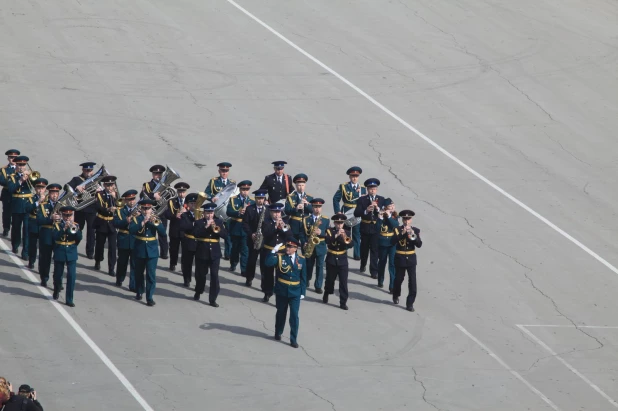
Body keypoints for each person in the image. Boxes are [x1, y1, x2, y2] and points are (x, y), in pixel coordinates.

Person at [265, 238, 306, 348]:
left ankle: (293, 339)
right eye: (287, 246)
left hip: (295, 292)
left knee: (294, 316)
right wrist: (273, 251)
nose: (288, 248)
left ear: (295, 249)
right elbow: (268, 263)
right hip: (282, 290)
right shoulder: (280, 257)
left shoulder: (301, 259)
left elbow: (303, 277)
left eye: (290, 247)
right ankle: (278, 332)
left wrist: (303, 292)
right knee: (281, 314)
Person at [129, 199, 167, 306]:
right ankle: (139, 291)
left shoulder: (155, 219)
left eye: (148, 209)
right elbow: (131, 230)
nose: (146, 211)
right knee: (138, 273)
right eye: (144, 209)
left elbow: (163, 233)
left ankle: (149, 297)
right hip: (139, 249)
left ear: (151, 209)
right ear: (141, 209)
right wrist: (142, 223)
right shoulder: (136, 218)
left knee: (151, 275)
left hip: (152, 251)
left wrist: (154, 223)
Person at [192, 202, 227, 306]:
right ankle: (198, 290)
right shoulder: (199, 222)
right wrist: (206, 227)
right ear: (204, 213)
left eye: (211, 213)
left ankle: (213, 299)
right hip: (202, 252)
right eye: (208, 213)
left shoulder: (219, 222)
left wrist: (218, 230)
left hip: (215, 253)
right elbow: (196, 234)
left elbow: (225, 235)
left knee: (214, 276)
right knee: (201, 275)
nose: (210, 215)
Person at [65, 162, 100, 259]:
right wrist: (76, 188)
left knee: (91, 232)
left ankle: (90, 252)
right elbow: (66, 187)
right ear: (83, 170)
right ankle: (73, 246)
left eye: (90, 170)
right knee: (77, 229)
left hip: (92, 209)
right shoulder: (77, 179)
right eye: (86, 170)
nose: (88, 172)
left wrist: (99, 190)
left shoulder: (95, 181)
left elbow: (101, 194)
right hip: (80, 210)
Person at [260, 203, 292, 302]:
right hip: (268, 250)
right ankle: (267, 293)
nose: (277, 215)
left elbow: (290, 236)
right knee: (267, 274)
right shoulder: (266, 222)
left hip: (281, 252)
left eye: (278, 212)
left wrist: (283, 227)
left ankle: (279, 295)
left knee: (280, 275)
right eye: (275, 212)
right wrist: (274, 226)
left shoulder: (285, 221)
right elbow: (266, 234)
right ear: (270, 212)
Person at [391, 210, 423, 312]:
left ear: (411, 220)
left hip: (411, 259)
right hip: (400, 258)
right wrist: (402, 233)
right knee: (398, 280)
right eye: (405, 219)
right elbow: (392, 242)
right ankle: (396, 294)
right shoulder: (397, 229)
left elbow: (419, 244)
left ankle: (410, 303)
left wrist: (413, 235)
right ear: (402, 220)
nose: (406, 221)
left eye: (408, 219)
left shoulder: (416, 230)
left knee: (412, 282)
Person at [332, 166, 366, 260]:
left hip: (357, 212)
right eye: (352, 176)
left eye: (356, 176)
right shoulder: (344, 186)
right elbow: (336, 199)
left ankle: (357, 254)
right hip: (346, 211)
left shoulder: (362, 188)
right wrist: (338, 211)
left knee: (356, 233)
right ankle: (344, 250)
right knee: (346, 232)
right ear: (349, 177)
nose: (354, 178)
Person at [353, 178, 385, 278]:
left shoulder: (381, 199)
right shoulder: (362, 199)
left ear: (377, 189)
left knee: (375, 250)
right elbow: (356, 213)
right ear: (367, 189)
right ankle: (363, 264)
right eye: (371, 188)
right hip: (365, 227)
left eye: (374, 188)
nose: (372, 190)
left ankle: (374, 271)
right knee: (364, 248)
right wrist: (366, 210)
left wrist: (377, 209)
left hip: (376, 227)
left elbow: (384, 213)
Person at [52, 206, 82, 307]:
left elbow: (79, 238)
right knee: (57, 275)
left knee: (71, 277)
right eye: (66, 215)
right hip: (60, 251)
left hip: (71, 253)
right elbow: (55, 237)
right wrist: (64, 229)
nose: (68, 217)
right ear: (62, 215)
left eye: (69, 215)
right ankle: (56, 289)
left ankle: (69, 299)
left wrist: (75, 229)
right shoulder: (57, 225)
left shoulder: (76, 225)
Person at [204, 162, 234, 260]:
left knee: (228, 233)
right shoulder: (214, 181)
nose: (224, 173)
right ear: (219, 171)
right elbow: (206, 193)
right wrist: (212, 198)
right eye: (222, 171)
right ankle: (214, 251)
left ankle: (228, 254)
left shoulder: (232, 183)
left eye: (226, 171)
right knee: (214, 231)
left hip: (227, 211)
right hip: (216, 211)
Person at [323, 213, 354, 309]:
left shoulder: (347, 232)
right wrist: (336, 235)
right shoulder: (329, 231)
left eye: (341, 223)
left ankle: (343, 302)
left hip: (342, 259)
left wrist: (344, 237)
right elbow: (327, 241)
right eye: (337, 223)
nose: (339, 225)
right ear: (334, 223)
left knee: (343, 282)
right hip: (331, 258)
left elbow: (350, 245)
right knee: (329, 280)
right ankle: (327, 292)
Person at [7, 155, 34, 259]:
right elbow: (10, 189)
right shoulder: (12, 177)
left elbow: (37, 186)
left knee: (27, 231)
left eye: (23, 165)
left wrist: (30, 177)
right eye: (20, 165)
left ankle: (25, 252)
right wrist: (20, 180)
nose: (22, 167)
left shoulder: (30, 175)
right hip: (16, 205)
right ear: (16, 165)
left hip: (27, 205)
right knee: (16, 229)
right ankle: (15, 244)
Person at [300, 198, 329, 294]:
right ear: (312, 207)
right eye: (315, 207)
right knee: (308, 265)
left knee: (320, 267)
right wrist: (304, 242)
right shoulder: (306, 219)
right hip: (309, 245)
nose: (317, 209)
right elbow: (302, 233)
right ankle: (307, 279)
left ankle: (318, 286)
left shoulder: (325, 220)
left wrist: (322, 232)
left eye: (319, 207)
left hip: (320, 246)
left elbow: (329, 233)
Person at [140, 164, 169, 260]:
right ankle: (149, 250)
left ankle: (164, 253)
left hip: (162, 212)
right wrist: (153, 196)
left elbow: (170, 197)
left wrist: (162, 199)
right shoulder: (147, 185)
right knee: (150, 232)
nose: (158, 175)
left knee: (163, 233)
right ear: (152, 174)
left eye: (160, 173)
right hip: (151, 212)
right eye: (156, 173)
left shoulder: (166, 185)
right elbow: (143, 196)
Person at [36, 184, 62, 287]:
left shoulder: (62, 206)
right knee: (45, 259)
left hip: (58, 235)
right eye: (52, 193)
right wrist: (50, 218)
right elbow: (39, 220)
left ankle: (58, 281)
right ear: (49, 194)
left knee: (59, 260)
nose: (54, 195)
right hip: (46, 235)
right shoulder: (43, 205)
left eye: (56, 193)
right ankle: (44, 278)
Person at [226, 180, 253, 275]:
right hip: (236, 227)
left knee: (245, 250)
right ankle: (233, 263)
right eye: (243, 189)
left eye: (247, 190)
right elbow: (228, 212)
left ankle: (244, 269)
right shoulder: (233, 199)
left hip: (246, 229)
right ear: (240, 190)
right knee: (235, 249)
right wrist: (238, 212)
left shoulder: (251, 201)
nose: (245, 192)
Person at [113, 189, 138, 290]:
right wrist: (125, 221)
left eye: (133, 199)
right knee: (122, 262)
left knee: (135, 264)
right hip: (123, 239)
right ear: (125, 201)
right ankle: (119, 279)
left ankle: (133, 285)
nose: (132, 201)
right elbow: (115, 223)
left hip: (135, 239)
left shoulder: (139, 211)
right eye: (129, 199)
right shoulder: (120, 210)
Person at [241, 189, 267, 287]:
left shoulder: (267, 210)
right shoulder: (250, 209)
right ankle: (249, 278)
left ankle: (264, 283)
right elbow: (245, 224)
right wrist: (251, 234)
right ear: (255, 199)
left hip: (264, 240)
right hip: (253, 239)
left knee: (263, 263)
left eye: (262, 198)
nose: (260, 200)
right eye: (258, 198)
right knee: (252, 261)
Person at [93, 176, 118, 276]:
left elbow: (121, 205)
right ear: (104, 185)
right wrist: (107, 209)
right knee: (99, 245)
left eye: (111, 185)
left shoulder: (116, 194)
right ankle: (98, 260)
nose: (110, 187)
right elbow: (98, 207)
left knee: (112, 247)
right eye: (108, 185)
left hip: (112, 223)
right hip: (102, 222)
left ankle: (111, 268)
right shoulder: (99, 194)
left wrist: (115, 197)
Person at [164, 182, 189, 271]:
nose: (181, 194)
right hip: (175, 229)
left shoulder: (189, 202)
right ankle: (173, 263)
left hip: (186, 230)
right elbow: (167, 214)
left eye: (183, 192)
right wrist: (175, 215)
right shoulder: (172, 201)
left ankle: (184, 265)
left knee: (185, 250)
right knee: (174, 249)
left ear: (186, 192)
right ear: (177, 192)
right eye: (179, 192)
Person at [376, 198, 398, 292]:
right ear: (385, 208)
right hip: (383, 242)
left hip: (392, 243)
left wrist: (389, 217)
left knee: (392, 264)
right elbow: (377, 228)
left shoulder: (394, 216)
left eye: (393, 206)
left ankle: (392, 285)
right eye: (390, 206)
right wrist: (380, 218)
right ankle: (380, 280)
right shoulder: (381, 215)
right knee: (382, 262)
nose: (392, 208)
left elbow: (395, 225)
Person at [26, 178, 48, 270]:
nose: (40, 190)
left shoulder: (48, 200)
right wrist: (38, 202)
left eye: (42, 188)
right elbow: (27, 209)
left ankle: (41, 266)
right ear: (35, 188)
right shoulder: (31, 199)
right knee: (32, 245)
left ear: (45, 189)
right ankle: (31, 261)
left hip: (44, 226)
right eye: (38, 188)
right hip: (34, 224)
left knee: (43, 248)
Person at [284, 173, 313, 239]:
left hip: (305, 224)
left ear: (305, 185)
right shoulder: (291, 197)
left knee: (304, 245)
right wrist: (296, 209)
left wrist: (307, 205)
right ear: (296, 186)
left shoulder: (309, 197)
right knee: (293, 245)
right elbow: (287, 211)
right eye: (299, 185)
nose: (301, 187)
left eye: (302, 185)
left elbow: (313, 211)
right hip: (294, 224)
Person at [179, 193, 198, 287]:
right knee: (187, 263)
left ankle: (199, 281)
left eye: (195, 203)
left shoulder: (203, 214)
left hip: (199, 242)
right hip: (188, 241)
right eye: (191, 203)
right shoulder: (184, 215)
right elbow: (183, 226)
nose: (193, 205)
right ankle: (187, 279)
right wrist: (194, 224)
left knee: (200, 264)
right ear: (187, 205)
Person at [0, 148, 19, 237]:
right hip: (7, 193)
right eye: (11, 157)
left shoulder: (21, 169)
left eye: (15, 157)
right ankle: (6, 228)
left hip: (18, 194)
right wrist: (13, 182)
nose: (13, 159)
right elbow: (2, 181)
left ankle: (15, 230)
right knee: (7, 213)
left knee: (16, 213)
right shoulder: (4, 170)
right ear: (8, 158)